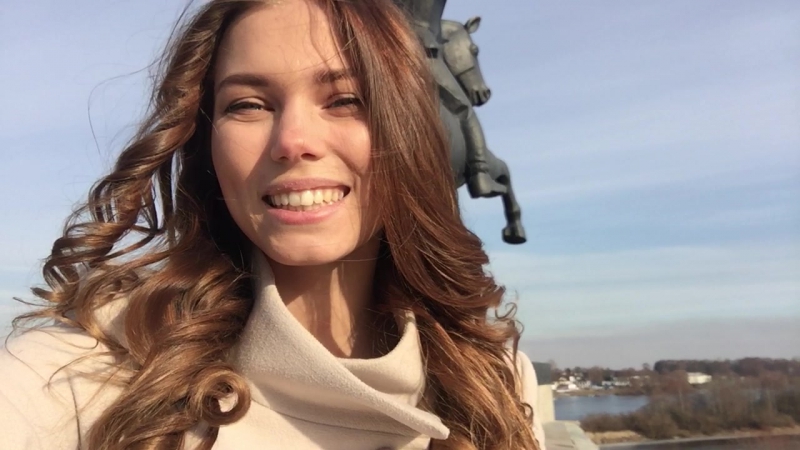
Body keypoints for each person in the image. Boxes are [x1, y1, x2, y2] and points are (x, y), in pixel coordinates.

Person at [0, 0, 546, 449]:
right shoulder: (68, 382)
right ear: (206, 144)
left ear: (409, 129)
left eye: (345, 99)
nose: (292, 141)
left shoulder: (493, 378)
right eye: (248, 105)